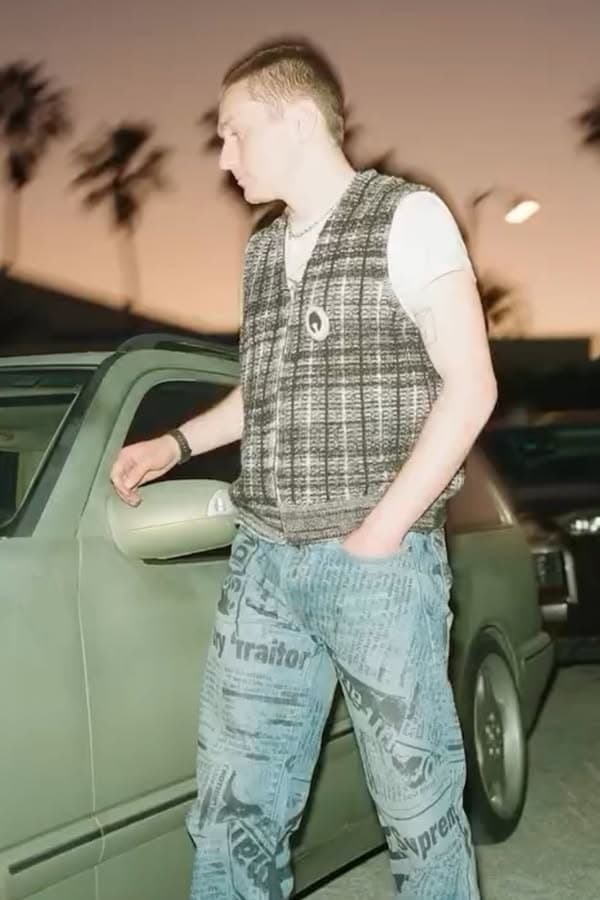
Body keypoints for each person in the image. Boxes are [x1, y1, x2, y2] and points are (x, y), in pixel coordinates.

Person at [110, 41, 497, 900]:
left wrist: (377, 537)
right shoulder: (261, 250)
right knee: (231, 817)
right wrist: (175, 445)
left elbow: (471, 386)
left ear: (296, 119)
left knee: (422, 821)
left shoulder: (408, 216)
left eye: (233, 132)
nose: (224, 157)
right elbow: (268, 389)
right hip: (264, 565)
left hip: (377, 569)